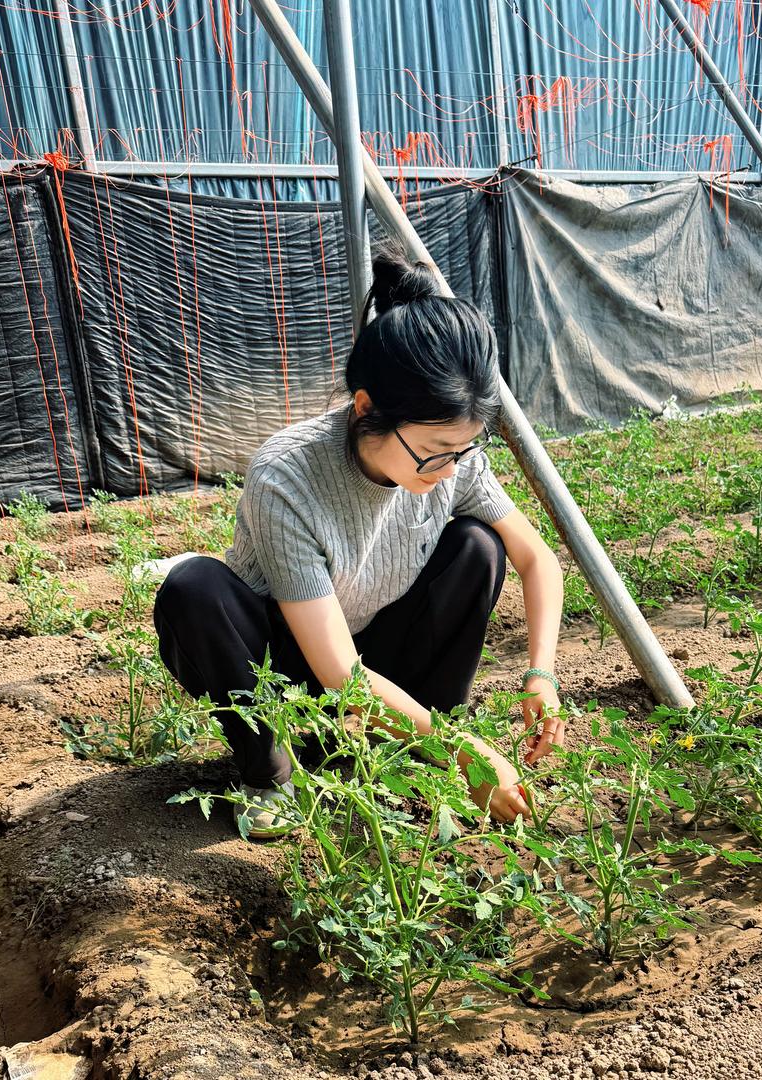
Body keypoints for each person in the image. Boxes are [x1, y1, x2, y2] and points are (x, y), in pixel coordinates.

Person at [153, 244, 565, 837]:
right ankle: (269, 771)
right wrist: (468, 753)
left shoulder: (450, 458)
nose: (448, 471)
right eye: (433, 454)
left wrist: (541, 674)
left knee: (478, 546)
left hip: (375, 647)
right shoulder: (288, 476)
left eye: (461, 451)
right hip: (286, 664)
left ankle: (418, 735)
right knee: (194, 588)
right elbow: (340, 672)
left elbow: (537, 558)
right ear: (366, 408)